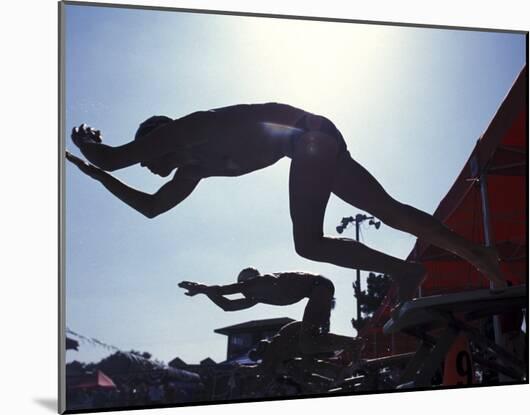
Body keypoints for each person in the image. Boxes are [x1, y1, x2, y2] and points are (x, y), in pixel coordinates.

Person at [67, 102, 507, 304]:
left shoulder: (186, 130)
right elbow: (153, 208)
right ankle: (477, 254)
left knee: (309, 244)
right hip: (317, 135)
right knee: (388, 212)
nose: (144, 167)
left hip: (307, 139)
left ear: (158, 140)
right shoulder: (191, 169)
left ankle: (406, 270)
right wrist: (97, 176)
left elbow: (112, 157)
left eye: (147, 159)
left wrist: (85, 143)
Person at [178, 267, 363, 355]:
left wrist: (201, 288)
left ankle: (354, 344)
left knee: (308, 341)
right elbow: (227, 306)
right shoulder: (256, 297)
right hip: (319, 290)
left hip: (319, 287)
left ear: (250, 280)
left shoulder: (260, 282)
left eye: (244, 285)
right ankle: (348, 351)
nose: (243, 290)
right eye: (242, 288)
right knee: (312, 342)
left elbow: (224, 290)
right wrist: (205, 293)